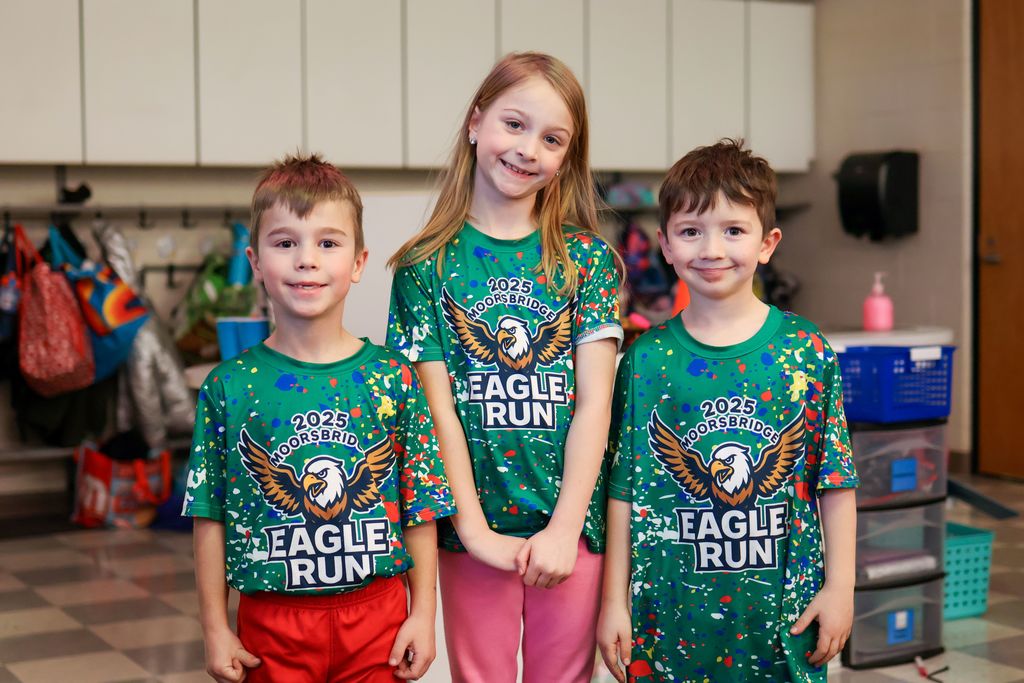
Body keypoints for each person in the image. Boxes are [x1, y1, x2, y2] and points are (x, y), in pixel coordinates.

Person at [386, 52, 621, 683]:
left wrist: (566, 527)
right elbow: (435, 414)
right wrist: (474, 530)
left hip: (572, 532)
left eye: (552, 139)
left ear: (568, 157)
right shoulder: (423, 267)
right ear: (474, 123)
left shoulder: (586, 262)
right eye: (514, 125)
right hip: (471, 537)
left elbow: (595, 404)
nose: (527, 149)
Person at [183, 154, 456, 683]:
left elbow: (420, 508)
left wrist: (423, 615)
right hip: (271, 622)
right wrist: (215, 628)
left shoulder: (394, 379)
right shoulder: (229, 386)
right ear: (255, 261)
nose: (306, 260)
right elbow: (208, 517)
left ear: (358, 262)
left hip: (378, 615)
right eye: (285, 243)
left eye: (328, 243)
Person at [598, 139, 859, 683]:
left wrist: (841, 588)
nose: (711, 248)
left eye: (733, 230)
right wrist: (613, 602)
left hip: (784, 623)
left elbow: (836, 480)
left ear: (768, 243)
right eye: (691, 231)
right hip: (668, 625)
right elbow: (622, 491)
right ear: (665, 246)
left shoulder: (805, 352)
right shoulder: (645, 360)